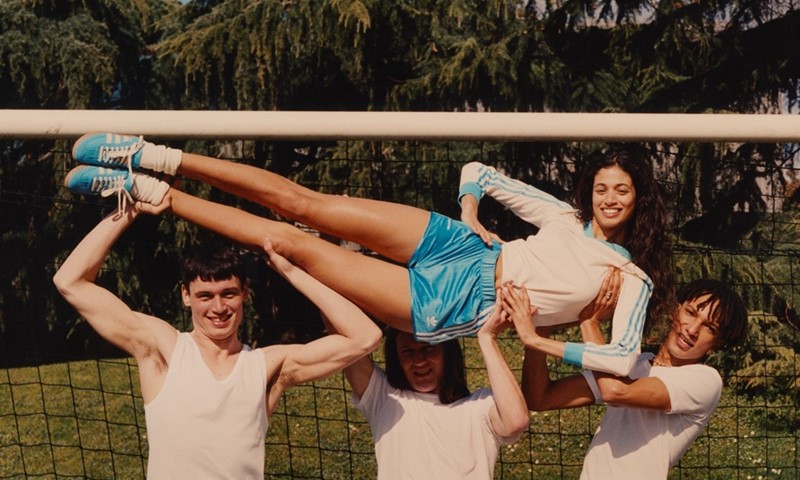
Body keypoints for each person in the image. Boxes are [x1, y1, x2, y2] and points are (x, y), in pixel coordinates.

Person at [63, 133, 673, 376]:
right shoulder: (564, 217)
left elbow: (621, 358)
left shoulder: (631, 278)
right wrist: (468, 214)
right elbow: (478, 171)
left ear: (639, 200)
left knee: (293, 244)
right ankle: (147, 153)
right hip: (462, 246)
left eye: (623, 190)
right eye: (603, 187)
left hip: (462, 301)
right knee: (306, 203)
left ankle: (151, 194)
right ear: (591, 192)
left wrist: (538, 341)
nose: (611, 198)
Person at [53, 191, 382, 480]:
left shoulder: (267, 367)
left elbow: (365, 336)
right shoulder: (162, 348)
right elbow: (69, 281)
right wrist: (132, 206)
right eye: (205, 296)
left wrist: (292, 270)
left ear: (245, 293)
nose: (218, 307)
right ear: (186, 296)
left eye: (229, 293)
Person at [499, 276, 748, 480]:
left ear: (716, 344)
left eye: (710, 327)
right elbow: (540, 397)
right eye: (692, 312)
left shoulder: (704, 381)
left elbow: (615, 391)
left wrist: (584, 323)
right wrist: (543, 323)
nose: (692, 329)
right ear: (677, 310)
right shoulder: (634, 364)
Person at [334, 301, 530, 480]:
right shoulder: (386, 401)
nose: (419, 361)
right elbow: (342, 328)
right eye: (407, 352)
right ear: (397, 359)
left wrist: (486, 339)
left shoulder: (479, 407)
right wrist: (306, 264)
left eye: (428, 348)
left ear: (448, 352)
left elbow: (516, 421)